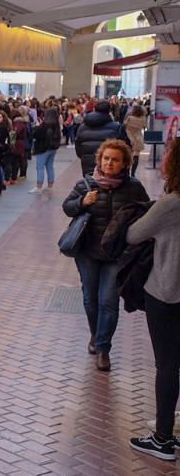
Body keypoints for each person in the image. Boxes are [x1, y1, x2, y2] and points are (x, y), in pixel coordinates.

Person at [63, 139, 148, 372]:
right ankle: (95, 334)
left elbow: (145, 215)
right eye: (106, 158)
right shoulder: (86, 184)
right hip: (88, 252)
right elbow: (67, 207)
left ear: (125, 164)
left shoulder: (134, 187)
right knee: (90, 299)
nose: (110, 163)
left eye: (115, 160)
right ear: (100, 160)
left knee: (108, 302)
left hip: (117, 255)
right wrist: (82, 201)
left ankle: (103, 348)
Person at [126, 138, 180, 460]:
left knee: (167, 364)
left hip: (168, 290)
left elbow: (135, 234)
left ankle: (162, 439)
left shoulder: (172, 203)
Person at [75, 100, 129, 177]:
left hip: (88, 162)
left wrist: (85, 156)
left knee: (90, 184)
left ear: (94, 109)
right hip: (111, 165)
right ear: (109, 111)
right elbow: (125, 147)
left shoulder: (82, 127)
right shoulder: (117, 127)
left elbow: (78, 146)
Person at [29, 108, 62, 194]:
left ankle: (39, 187)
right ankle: (50, 186)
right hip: (53, 148)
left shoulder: (44, 125)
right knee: (50, 166)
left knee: (40, 167)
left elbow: (35, 134)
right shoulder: (56, 125)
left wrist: (36, 126)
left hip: (43, 148)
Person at [124, 104, 146, 175]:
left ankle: (127, 171)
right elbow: (144, 126)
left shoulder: (129, 118)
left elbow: (124, 125)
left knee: (127, 156)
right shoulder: (143, 118)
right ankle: (133, 173)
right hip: (138, 139)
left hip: (129, 137)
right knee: (136, 156)